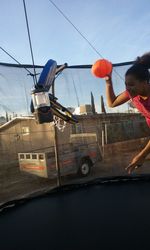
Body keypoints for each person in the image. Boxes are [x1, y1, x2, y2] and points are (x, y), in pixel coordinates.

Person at [105, 52, 150, 174]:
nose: (128, 88)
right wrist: (108, 82)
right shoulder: (132, 93)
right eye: (126, 85)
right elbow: (112, 103)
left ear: (145, 82)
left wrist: (141, 156)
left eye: (131, 84)